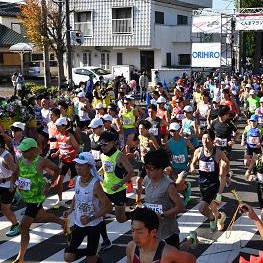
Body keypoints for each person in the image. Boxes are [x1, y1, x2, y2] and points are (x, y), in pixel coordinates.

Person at [11, 138, 65, 263]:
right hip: (26, 196)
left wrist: (50, 184)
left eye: (25, 150)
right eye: (21, 150)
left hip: (37, 197)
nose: (22, 152)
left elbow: (57, 169)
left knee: (24, 226)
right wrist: (12, 184)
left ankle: (21, 257)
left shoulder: (41, 161)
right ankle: (62, 222)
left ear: (34, 150)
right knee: (41, 217)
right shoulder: (20, 160)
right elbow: (14, 173)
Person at [142, 149, 198, 250]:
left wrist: (163, 214)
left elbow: (181, 207)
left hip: (168, 230)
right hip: (152, 228)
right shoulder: (147, 180)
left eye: (150, 168)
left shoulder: (168, 186)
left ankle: (190, 240)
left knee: (174, 255)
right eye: (146, 167)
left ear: (160, 169)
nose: (147, 170)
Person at [63, 152, 112, 263]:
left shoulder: (95, 185)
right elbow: (76, 194)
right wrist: (70, 209)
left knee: (91, 260)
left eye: (81, 165)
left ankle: (92, 253)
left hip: (94, 225)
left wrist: (91, 218)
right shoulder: (76, 179)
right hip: (78, 224)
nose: (77, 167)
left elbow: (108, 207)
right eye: (76, 164)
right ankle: (91, 251)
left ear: (89, 167)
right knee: (68, 257)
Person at [190, 129, 229, 232]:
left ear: (212, 140)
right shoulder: (198, 151)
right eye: (203, 138)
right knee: (212, 207)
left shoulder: (218, 153)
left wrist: (226, 174)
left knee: (202, 208)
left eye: (207, 139)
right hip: (202, 184)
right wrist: (192, 168)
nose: (205, 141)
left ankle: (212, 219)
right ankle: (220, 217)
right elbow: (192, 163)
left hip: (213, 184)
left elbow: (226, 161)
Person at [126, 207, 197, 263]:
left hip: (168, 232)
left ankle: (190, 240)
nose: (134, 236)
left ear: (153, 232)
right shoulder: (131, 247)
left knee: (177, 252)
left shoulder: (167, 253)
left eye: (140, 232)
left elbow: (191, 259)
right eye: (132, 230)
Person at [98, 131, 135, 222]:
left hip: (118, 190)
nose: (103, 147)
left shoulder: (120, 156)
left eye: (105, 145)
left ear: (112, 143)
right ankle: (105, 237)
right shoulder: (102, 155)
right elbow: (105, 167)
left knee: (120, 219)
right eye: (101, 145)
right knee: (99, 215)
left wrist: (119, 184)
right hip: (106, 189)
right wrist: (97, 173)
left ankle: (135, 213)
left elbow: (131, 172)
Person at [51, 118, 80, 208]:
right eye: (56, 126)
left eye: (58, 126)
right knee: (59, 182)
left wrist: (69, 153)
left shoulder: (70, 136)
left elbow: (77, 148)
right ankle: (60, 201)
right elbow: (61, 147)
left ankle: (78, 201)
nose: (57, 127)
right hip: (64, 162)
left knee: (77, 183)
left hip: (73, 162)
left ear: (64, 126)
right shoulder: (58, 135)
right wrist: (56, 153)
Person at [166, 122, 195, 205]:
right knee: (174, 186)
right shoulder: (168, 143)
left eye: (174, 131)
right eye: (171, 131)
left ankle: (183, 192)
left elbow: (193, 150)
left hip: (184, 167)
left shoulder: (185, 141)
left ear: (179, 130)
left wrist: (192, 162)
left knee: (178, 184)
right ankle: (186, 188)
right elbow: (167, 155)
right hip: (174, 168)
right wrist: (168, 165)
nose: (172, 133)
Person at [0, 135, 20, 237]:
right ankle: (16, 195)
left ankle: (16, 225)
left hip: (7, 186)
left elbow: (16, 172)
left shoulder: (6, 157)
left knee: (5, 209)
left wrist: (5, 180)